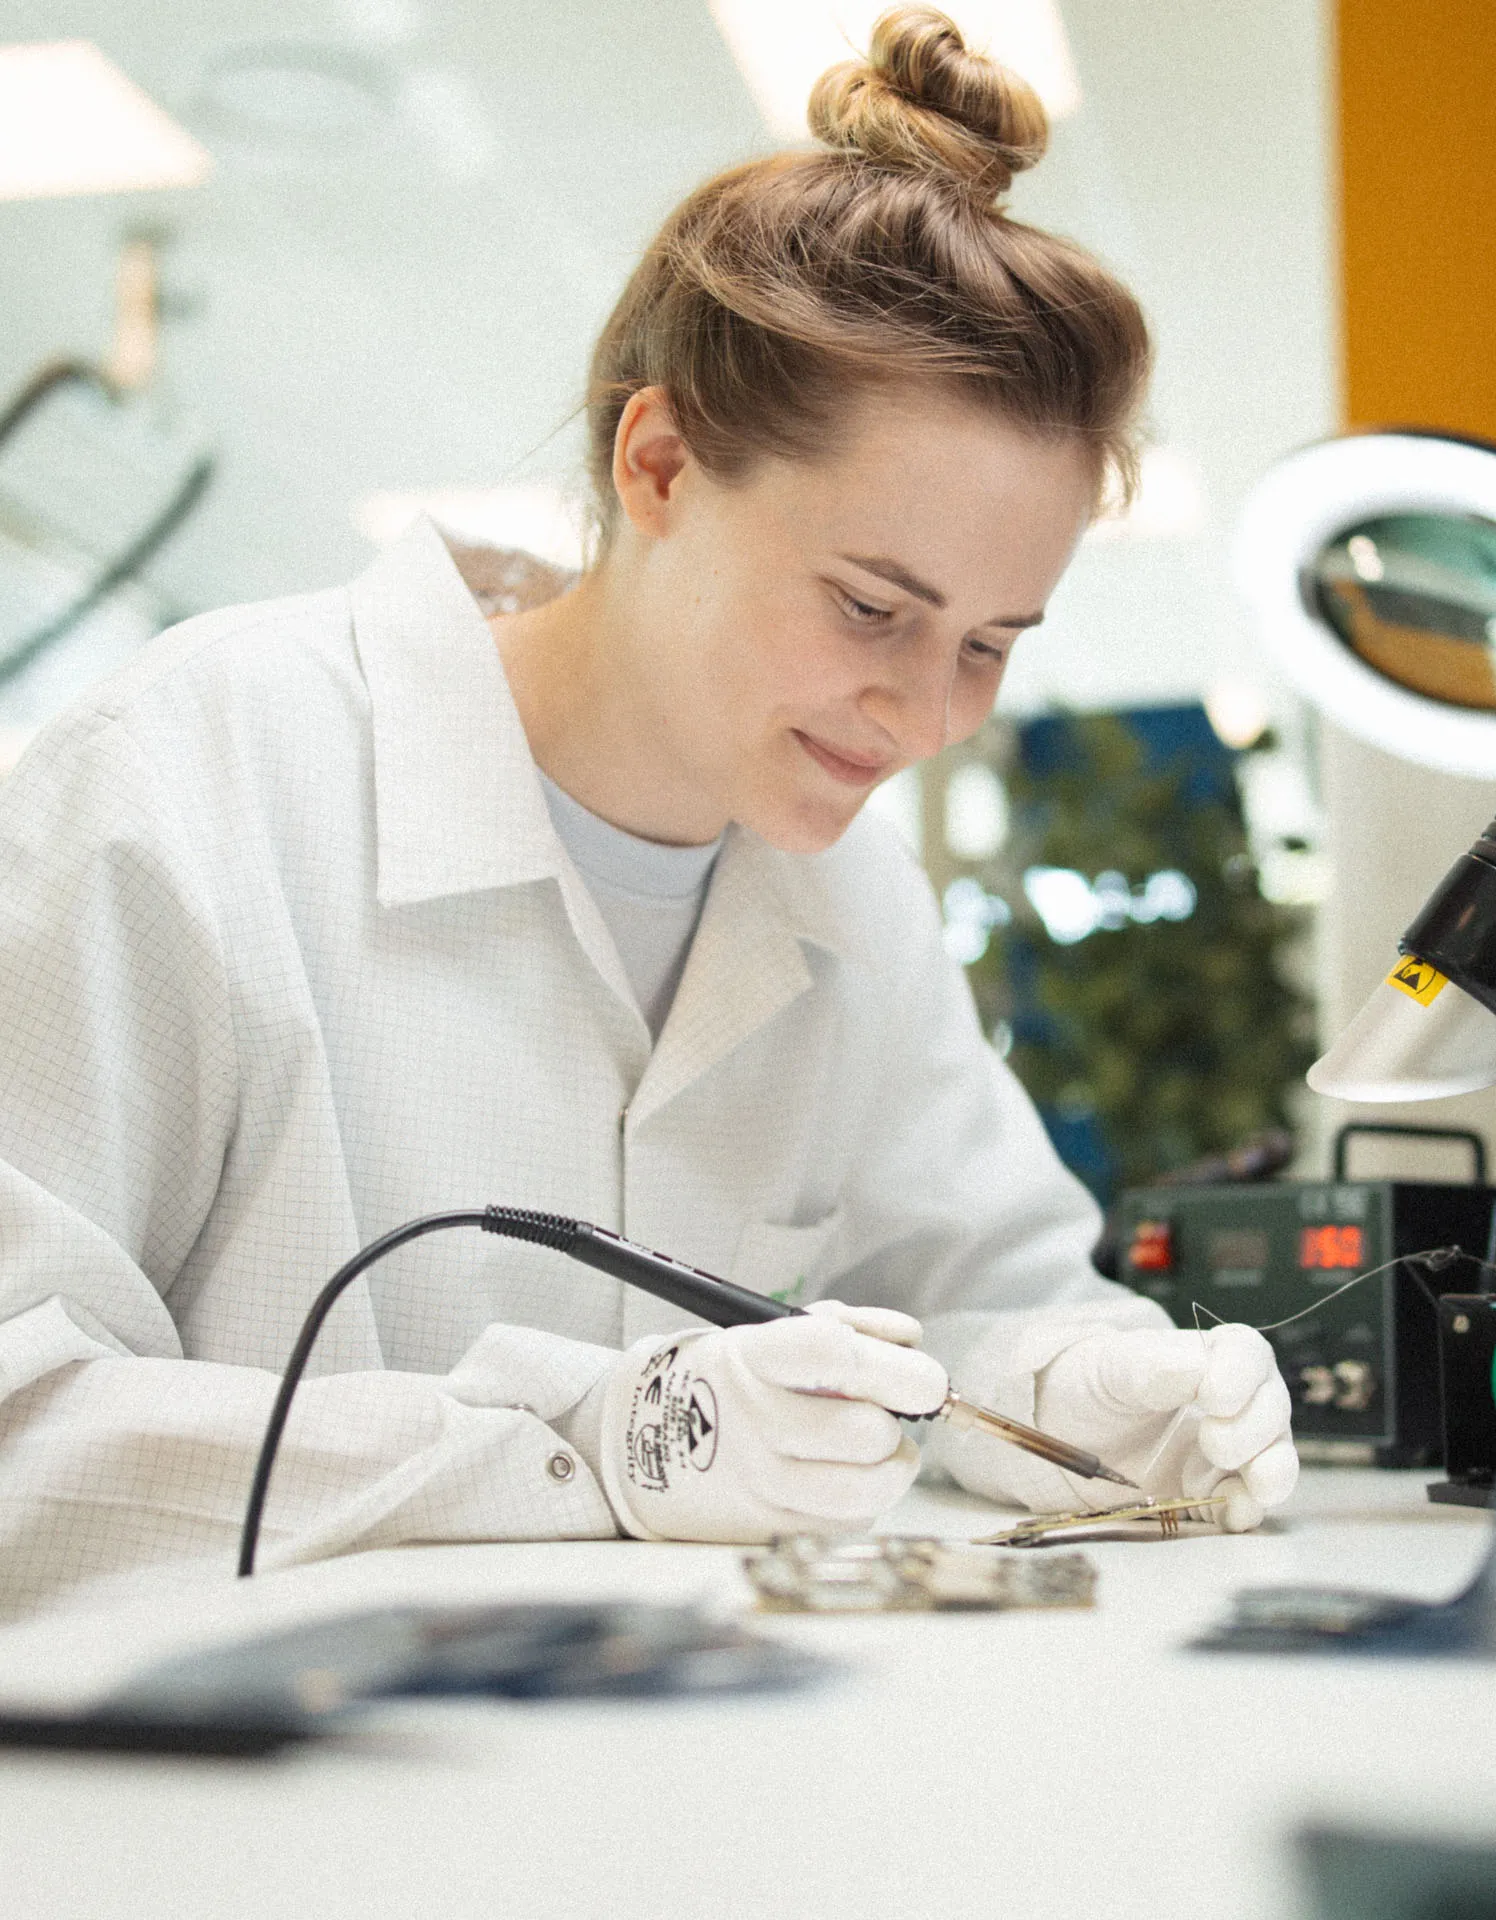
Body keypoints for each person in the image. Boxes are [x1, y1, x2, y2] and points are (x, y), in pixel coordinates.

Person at [0, 7, 1295, 1614]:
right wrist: (575, 1447)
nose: (924, 714)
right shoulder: (187, 778)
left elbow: (977, 1297)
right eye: (872, 607)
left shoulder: (851, 903)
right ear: (663, 464)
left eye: (988, 647)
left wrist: (1084, 1386)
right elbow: (16, 1427)